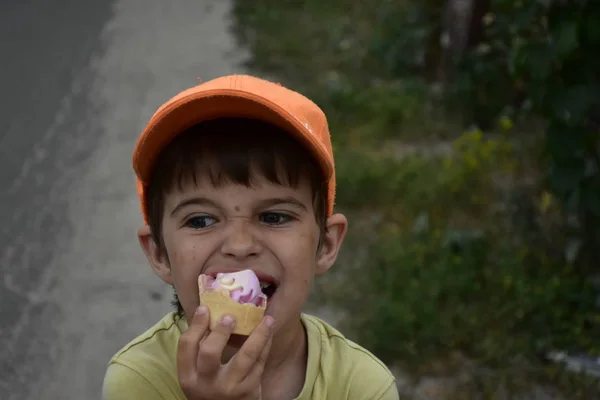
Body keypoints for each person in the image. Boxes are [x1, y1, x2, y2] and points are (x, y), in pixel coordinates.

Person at [102, 74, 400, 400]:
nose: (240, 245)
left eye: (274, 217)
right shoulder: (140, 380)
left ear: (326, 245)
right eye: (200, 220)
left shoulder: (361, 386)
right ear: (159, 254)